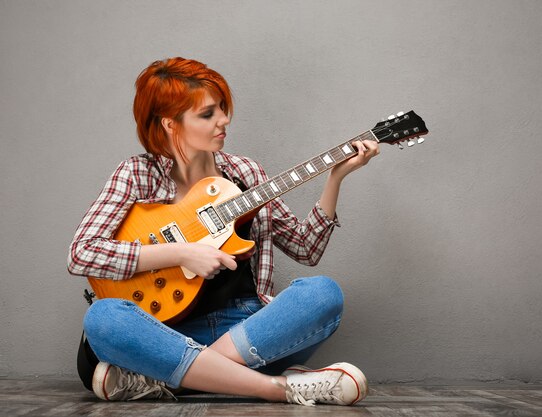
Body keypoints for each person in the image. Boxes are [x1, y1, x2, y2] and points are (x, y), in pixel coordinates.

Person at [67, 57, 379, 406]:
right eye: (207, 114)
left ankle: (165, 378)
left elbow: (305, 249)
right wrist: (182, 253)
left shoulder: (246, 173)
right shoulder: (137, 173)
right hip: (165, 333)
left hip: (246, 328)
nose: (224, 120)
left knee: (323, 294)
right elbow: (82, 252)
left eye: (222, 109)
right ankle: (279, 387)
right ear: (171, 124)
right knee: (103, 319)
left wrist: (335, 178)